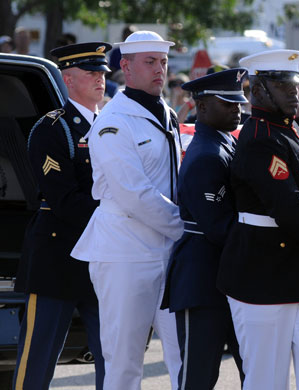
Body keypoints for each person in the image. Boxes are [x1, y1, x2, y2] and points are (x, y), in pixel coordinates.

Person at [216, 49, 299, 390]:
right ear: (257, 90)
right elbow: (288, 205)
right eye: (283, 85)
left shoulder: (286, 130)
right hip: (262, 272)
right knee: (266, 377)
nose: (293, 92)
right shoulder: (260, 138)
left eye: (294, 85)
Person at [70, 31, 183, 390]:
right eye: (150, 62)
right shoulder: (113, 122)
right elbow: (135, 195)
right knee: (124, 362)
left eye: (163, 62)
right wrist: (188, 229)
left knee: (183, 355)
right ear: (126, 67)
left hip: (168, 250)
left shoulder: (166, 112)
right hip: (125, 252)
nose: (159, 70)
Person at [12, 41, 109, 390]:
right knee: (37, 359)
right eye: (91, 73)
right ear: (67, 80)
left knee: (112, 358)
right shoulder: (52, 129)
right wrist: (117, 221)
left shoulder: (111, 125)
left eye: (102, 73)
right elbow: (63, 198)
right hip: (58, 258)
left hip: (102, 258)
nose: (100, 79)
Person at [161, 68, 247, 389]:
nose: (236, 109)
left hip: (225, 279)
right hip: (201, 282)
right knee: (198, 377)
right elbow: (219, 226)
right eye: (228, 103)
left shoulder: (223, 142)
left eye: (238, 102)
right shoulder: (206, 155)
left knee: (251, 369)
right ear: (203, 106)